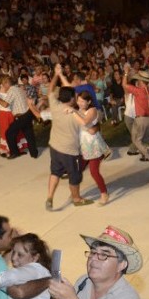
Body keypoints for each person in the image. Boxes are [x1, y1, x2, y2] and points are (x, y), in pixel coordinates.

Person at [46, 65, 93, 210]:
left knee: (55, 172)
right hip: (70, 151)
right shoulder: (75, 114)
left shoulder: (54, 105)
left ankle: (49, 197)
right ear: (72, 99)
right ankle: (76, 198)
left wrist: (56, 74)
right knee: (75, 176)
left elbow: (50, 89)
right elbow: (88, 128)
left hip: (54, 146)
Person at [69, 90, 111, 206]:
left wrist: (73, 112)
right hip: (82, 145)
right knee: (77, 170)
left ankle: (104, 193)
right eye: (78, 100)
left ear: (89, 102)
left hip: (93, 145)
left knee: (94, 172)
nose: (80, 103)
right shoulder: (77, 111)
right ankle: (75, 194)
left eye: (83, 101)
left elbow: (84, 122)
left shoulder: (92, 110)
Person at [0, 74, 41, 160]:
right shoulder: (18, 89)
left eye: (4, 84)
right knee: (28, 134)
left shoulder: (12, 90)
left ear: (7, 83)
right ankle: (34, 153)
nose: (3, 86)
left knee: (9, 133)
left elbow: (5, 104)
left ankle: (14, 153)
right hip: (28, 113)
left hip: (22, 116)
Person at [122, 70, 149, 162]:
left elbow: (124, 85)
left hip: (141, 119)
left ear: (141, 81)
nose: (137, 82)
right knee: (148, 136)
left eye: (138, 80)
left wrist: (126, 73)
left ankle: (148, 155)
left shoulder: (138, 91)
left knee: (136, 140)